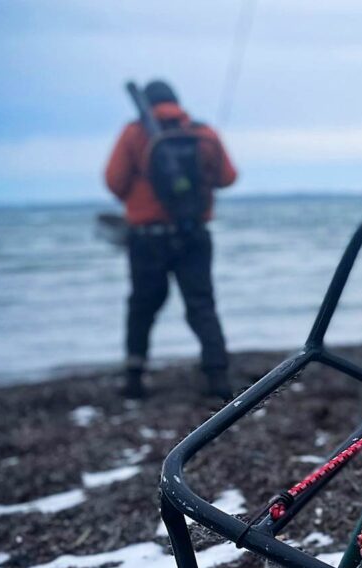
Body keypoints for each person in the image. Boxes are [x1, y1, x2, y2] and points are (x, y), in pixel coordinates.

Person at [105, 80, 237, 399]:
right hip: (195, 234)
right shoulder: (203, 134)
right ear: (177, 102)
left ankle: (135, 377)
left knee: (142, 307)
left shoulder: (135, 133)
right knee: (201, 304)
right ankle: (217, 375)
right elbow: (227, 178)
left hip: (147, 237)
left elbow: (114, 182)